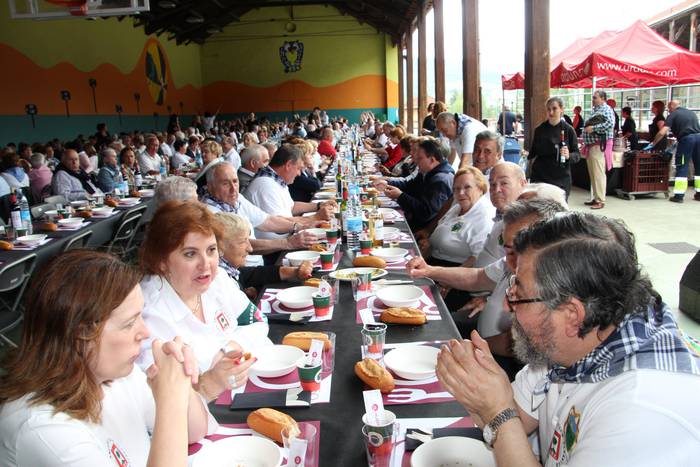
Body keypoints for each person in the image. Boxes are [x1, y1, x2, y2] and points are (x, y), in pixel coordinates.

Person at [435, 212, 700, 466]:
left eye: (518, 295)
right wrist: (479, 391)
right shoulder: (568, 343)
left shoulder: (642, 412)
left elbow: (504, 420)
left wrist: (497, 411)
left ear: (572, 315)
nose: (506, 306)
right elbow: (516, 420)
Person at [0, 250, 213, 466]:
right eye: (129, 323)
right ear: (82, 335)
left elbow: (194, 430)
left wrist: (179, 381)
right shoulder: (43, 429)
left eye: (141, 316)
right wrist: (172, 399)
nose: (145, 332)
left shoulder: (115, 374)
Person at [138, 201, 265, 402]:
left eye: (211, 250)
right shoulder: (148, 315)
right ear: (161, 261)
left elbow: (259, 322)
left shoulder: (218, 279)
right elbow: (156, 402)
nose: (206, 264)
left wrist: (230, 347)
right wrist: (210, 377)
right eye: (190, 254)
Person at [203, 162, 317, 267]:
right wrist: (288, 243)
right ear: (210, 186)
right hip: (245, 272)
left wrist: (300, 227)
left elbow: (267, 221)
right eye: (225, 184)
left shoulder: (237, 199)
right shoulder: (210, 213)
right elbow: (243, 244)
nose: (233, 189)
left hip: (261, 262)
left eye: (235, 181)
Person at [243, 144, 335, 241]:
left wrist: (319, 205)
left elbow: (291, 206)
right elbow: (278, 223)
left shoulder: (276, 179)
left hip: (287, 240)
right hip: (276, 247)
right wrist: (314, 217)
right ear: (288, 165)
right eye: (298, 168)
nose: (299, 173)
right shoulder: (265, 184)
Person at [215, 212, 313, 300]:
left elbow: (247, 275)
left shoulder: (227, 271)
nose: (250, 248)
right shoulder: (217, 283)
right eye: (242, 242)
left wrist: (295, 271)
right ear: (219, 248)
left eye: (248, 240)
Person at [376, 137, 454, 231]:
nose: (416, 161)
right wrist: (387, 183)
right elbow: (409, 185)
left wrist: (400, 196)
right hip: (413, 219)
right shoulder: (426, 171)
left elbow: (426, 213)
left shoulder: (441, 180)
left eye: (419, 158)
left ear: (432, 160)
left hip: (424, 230)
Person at [423, 167, 495, 266]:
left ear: (480, 189)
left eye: (467, 187)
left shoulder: (485, 216)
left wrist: (443, 275)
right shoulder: (457, 208)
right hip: (433, 262)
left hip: (453, 270)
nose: (461, 193)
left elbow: (478, 258)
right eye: (456, 189)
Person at [528, 97, 580, 198]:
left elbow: (577, 154)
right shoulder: (539, 130)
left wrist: (568, 155)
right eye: (548, 109)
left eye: (554, 108)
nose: (551, 112)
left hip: (561, 178)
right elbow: (533, 152)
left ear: (561, 109)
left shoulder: (569, 130)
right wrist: (526, 154)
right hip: (540, 176)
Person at [650, 99, 700, 202]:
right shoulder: (691, 113)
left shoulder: (673, 114)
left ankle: (679, 196)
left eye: (669, 108)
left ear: (671, 107)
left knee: (682, 165)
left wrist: (653, 143)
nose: (668, 110)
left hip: (686, 140)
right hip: (698, 138)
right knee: (699, 166)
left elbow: (662, 132)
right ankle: (699, 194)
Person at [582, 90, 615, 210]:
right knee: (593, 174)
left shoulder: (606, 109)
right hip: (592, 145)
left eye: (595, 97)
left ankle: (600, 200)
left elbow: (610, 124)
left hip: (598, 145)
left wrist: (594, 128)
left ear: (602, 98)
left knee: (598, 174)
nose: (593, 100)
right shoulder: (596, 110)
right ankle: (596, 198)